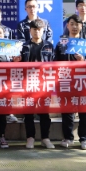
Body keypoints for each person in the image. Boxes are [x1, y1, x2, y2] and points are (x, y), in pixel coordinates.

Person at [54, 15, 86, 150]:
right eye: (72, 24)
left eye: (77, 24)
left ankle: (84, 138)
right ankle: (68, 137)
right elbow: (55, 61)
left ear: (81, 26)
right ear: (67, 26)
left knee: (84, 111)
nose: (74, 27)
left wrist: (84, 60)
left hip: (83, 81)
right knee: (67, 110)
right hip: (66, 81)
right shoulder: (61, 43)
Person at [20, 19, 54, 149]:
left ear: (43, 31)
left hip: (44, 84)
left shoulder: (49, 46)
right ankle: (30, 138)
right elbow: (18, 64)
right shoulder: (24, 46)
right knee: (28, 113)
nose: (37, 32)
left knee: (44, 112)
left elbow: (55, 64)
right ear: (30, 31)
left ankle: (45, 138)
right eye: (34, 29)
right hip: (28, 83)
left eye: (39, 30)